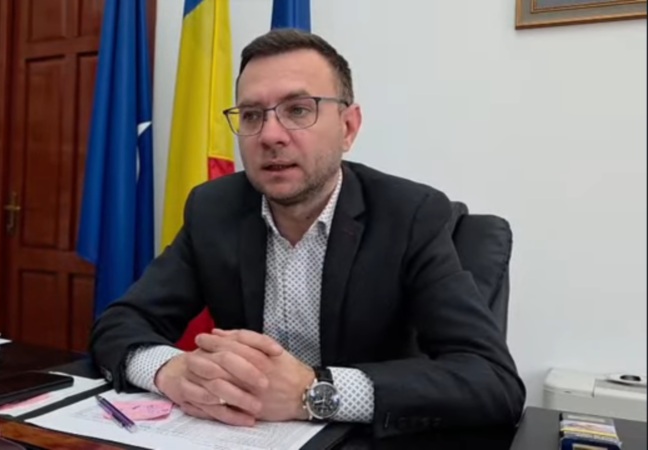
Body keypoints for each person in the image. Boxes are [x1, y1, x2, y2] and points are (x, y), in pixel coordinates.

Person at [90, 28, 526, 439]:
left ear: (348, 128)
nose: (270, 135)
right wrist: (170, 371)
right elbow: (119, 324)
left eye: (298, 110)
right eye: (252, 115)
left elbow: (492, 380)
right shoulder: (214, 209)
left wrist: (313, 392)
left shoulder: (411, 215)